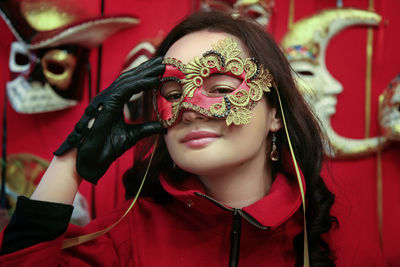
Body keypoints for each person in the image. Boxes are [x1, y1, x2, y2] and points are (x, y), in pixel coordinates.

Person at [0, 10, 373, 267]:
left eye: (222, 87)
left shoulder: (337, 238)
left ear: (275, 114)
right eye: (174, 93)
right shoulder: (122, 239)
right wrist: (71, 160)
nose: (191, 107)